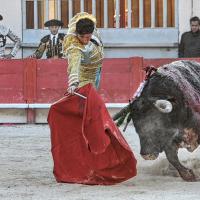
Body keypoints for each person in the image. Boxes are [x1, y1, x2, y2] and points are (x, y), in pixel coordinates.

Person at [48, 12, 137, 185]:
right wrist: (73, 84)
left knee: (89, 116)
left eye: (89, 36)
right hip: (83, 81)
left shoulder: (88, 28)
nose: (87, 40)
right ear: (78, 35)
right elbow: (74, 65)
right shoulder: (74, 46)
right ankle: (87, 152)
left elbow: (84, 21)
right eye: (84, 38)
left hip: (95, 73)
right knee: (89, 117)